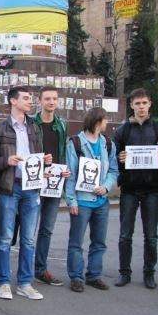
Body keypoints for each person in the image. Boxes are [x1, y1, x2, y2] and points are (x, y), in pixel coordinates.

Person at [0, 87, 50, 301]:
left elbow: (37, 154)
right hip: (10, 186)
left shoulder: (34, 127)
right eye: (25, 98)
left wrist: (45, 162)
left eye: (30, 98)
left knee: (28, 239)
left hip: (31, 186)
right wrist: (6, 161)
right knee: (6, 237)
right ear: (13, 101)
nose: (30, 102)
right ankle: (3, 282)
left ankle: (25, 283)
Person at [114, 88, 158, 289]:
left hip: (151, 188)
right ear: (131, 106)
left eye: (144, 103)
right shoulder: (122, 131)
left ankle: (149, 273)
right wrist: (120, 159)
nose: (141, 107)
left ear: (150, 104)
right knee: (125, 234)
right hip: (129, 188)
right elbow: (115, 161)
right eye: (137, 104)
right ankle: (124, 272)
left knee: (151, 236)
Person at [65, 107, 118, 293]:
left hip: (101, 201)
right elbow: (70, 175)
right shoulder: (76, 143)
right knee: (76, 242)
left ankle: (94, 275)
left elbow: (113, 170)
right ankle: (76, 277)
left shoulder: (108, 144)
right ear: (97, 121)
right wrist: (71, 201)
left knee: (99, 241)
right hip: (82, 200)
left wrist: (106, 187)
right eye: (105, 120)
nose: (107, 124)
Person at [30, 86, 70, 287]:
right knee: (28, 229)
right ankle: (24, 270)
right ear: (40, 101)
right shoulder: (31, 123)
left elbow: (62, 152)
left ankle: (40, 269)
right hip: (34, 182)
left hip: (54, 183)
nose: (51, 102)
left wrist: (65, 170)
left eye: (54, 98)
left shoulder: (61, 125)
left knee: (46, 229)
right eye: (47, 98)